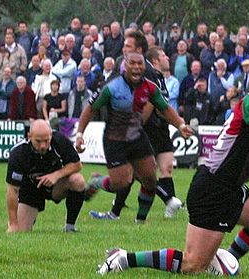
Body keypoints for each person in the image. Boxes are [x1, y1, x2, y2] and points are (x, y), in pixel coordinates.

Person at [96, 42, 249, 275]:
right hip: (212, 189)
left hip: (230, 186)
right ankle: (123, 258)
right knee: (191, 265)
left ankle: (221, 260)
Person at [75, 52, 192, 218]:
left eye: (140, 64)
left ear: (145, 67)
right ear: (125, 66)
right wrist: (80, 133)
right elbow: (91, 108)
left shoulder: (150, 87)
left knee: (150, 179)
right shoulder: (112, 87)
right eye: (133, 64)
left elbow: (165, 108)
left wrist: (180, 125)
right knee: (120, 183)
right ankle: (97, 181)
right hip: (115, 139)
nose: (137, 67)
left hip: (137, 137)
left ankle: (140, 222)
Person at [6, 120, 86, 233]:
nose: (43, 146)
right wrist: (13, 224)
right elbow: (13, 190)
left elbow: (77, 165)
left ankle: (70, 227)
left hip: (55, 186)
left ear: (51, 136)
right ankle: (27, 217)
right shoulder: (18, 153)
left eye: (46, 141)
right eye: (38, 141)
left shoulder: (59, 140)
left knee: (78, 180)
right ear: (29, 136)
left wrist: (56, 175)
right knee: (20, 231)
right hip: (30, 191)